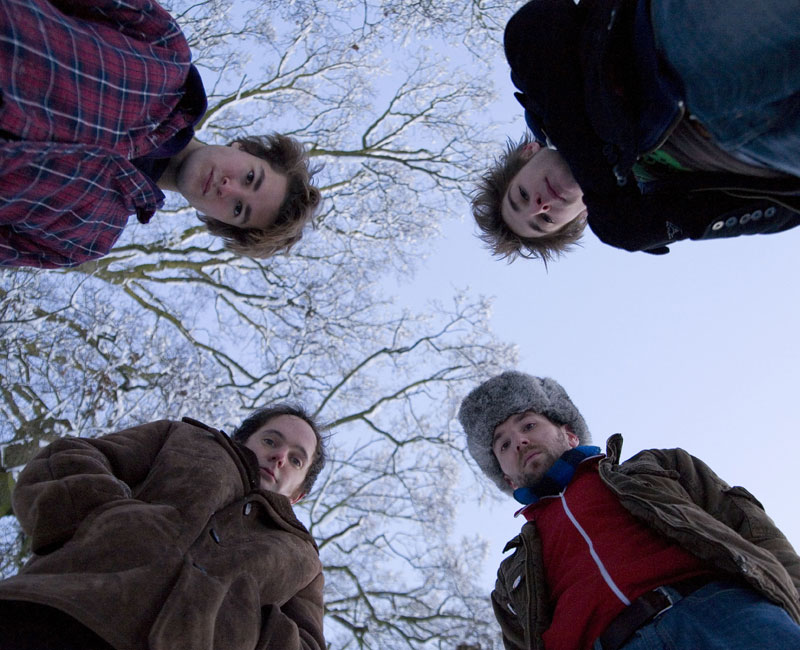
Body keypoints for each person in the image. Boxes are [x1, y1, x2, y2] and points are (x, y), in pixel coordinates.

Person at [458, 371, 800, 649]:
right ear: (506, 477)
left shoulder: (659, 467)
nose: (519, 441)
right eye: (503, 444)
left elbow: (752, 528)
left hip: (723, 615)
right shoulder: (512, 576)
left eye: (529, 425)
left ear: (570, 434)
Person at [0, 0, 321, 269]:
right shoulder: (165, 52)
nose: (228, 187)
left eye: (238, 209)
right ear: (244, 148)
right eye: (250, 177)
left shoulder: (85, 240)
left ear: (217, 221)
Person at [472, 0, 800, 262]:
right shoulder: (648, 201)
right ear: (581, 218)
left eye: (521, 195)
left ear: (527, 153)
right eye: (544, 221)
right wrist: (680, 223)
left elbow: (536, 23)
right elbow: (786, 213)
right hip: (773, 151)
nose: (539, 206)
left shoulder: (548, 93)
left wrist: (601, 185)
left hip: (690, 50)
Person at [0, 404, 327, 650]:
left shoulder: (303, 560)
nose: (279, 456)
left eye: (296, 459)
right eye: (270, 440)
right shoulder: (181, 438)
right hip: (52, 611)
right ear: (242, 439)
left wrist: (237, 622)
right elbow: (66, 458)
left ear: (299, 493)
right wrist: (109, 519)